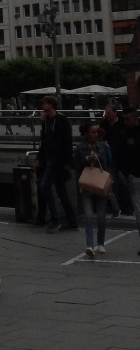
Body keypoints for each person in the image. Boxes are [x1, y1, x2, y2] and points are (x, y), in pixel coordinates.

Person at [34, 95, 77, 232]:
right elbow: (43, 141)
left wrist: (67, 161)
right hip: (49, 158)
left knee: (44, 184)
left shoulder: (61, 120)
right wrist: (40, 158)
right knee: (60, 190)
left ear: (51, 105)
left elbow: (67, 141)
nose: (42, 106)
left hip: (57, 159)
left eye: (44, 103)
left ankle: (54, 218)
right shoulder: (46, 121)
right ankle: (71, 220)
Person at [74, 123, 110, 257]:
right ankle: (89, 244)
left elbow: (106, 164)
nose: (96, 135)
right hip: (87, 184)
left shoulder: (102, 146)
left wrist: (98, 157)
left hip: (99, 182)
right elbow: (76, 165)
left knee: (101, 216)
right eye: (93, 132)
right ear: (86, 134)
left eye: (96, 132)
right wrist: (86, 159)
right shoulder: (80, 148)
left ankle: (101, 242)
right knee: (88, 216)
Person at [114, 108, 140, 254]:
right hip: (134, 176)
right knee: (138, 211)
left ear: (135, 118)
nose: (126, 122)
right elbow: (120, 154)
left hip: (134, 174)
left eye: (128, 118)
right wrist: (126, 172)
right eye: (124, 119)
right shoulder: (124, 134)